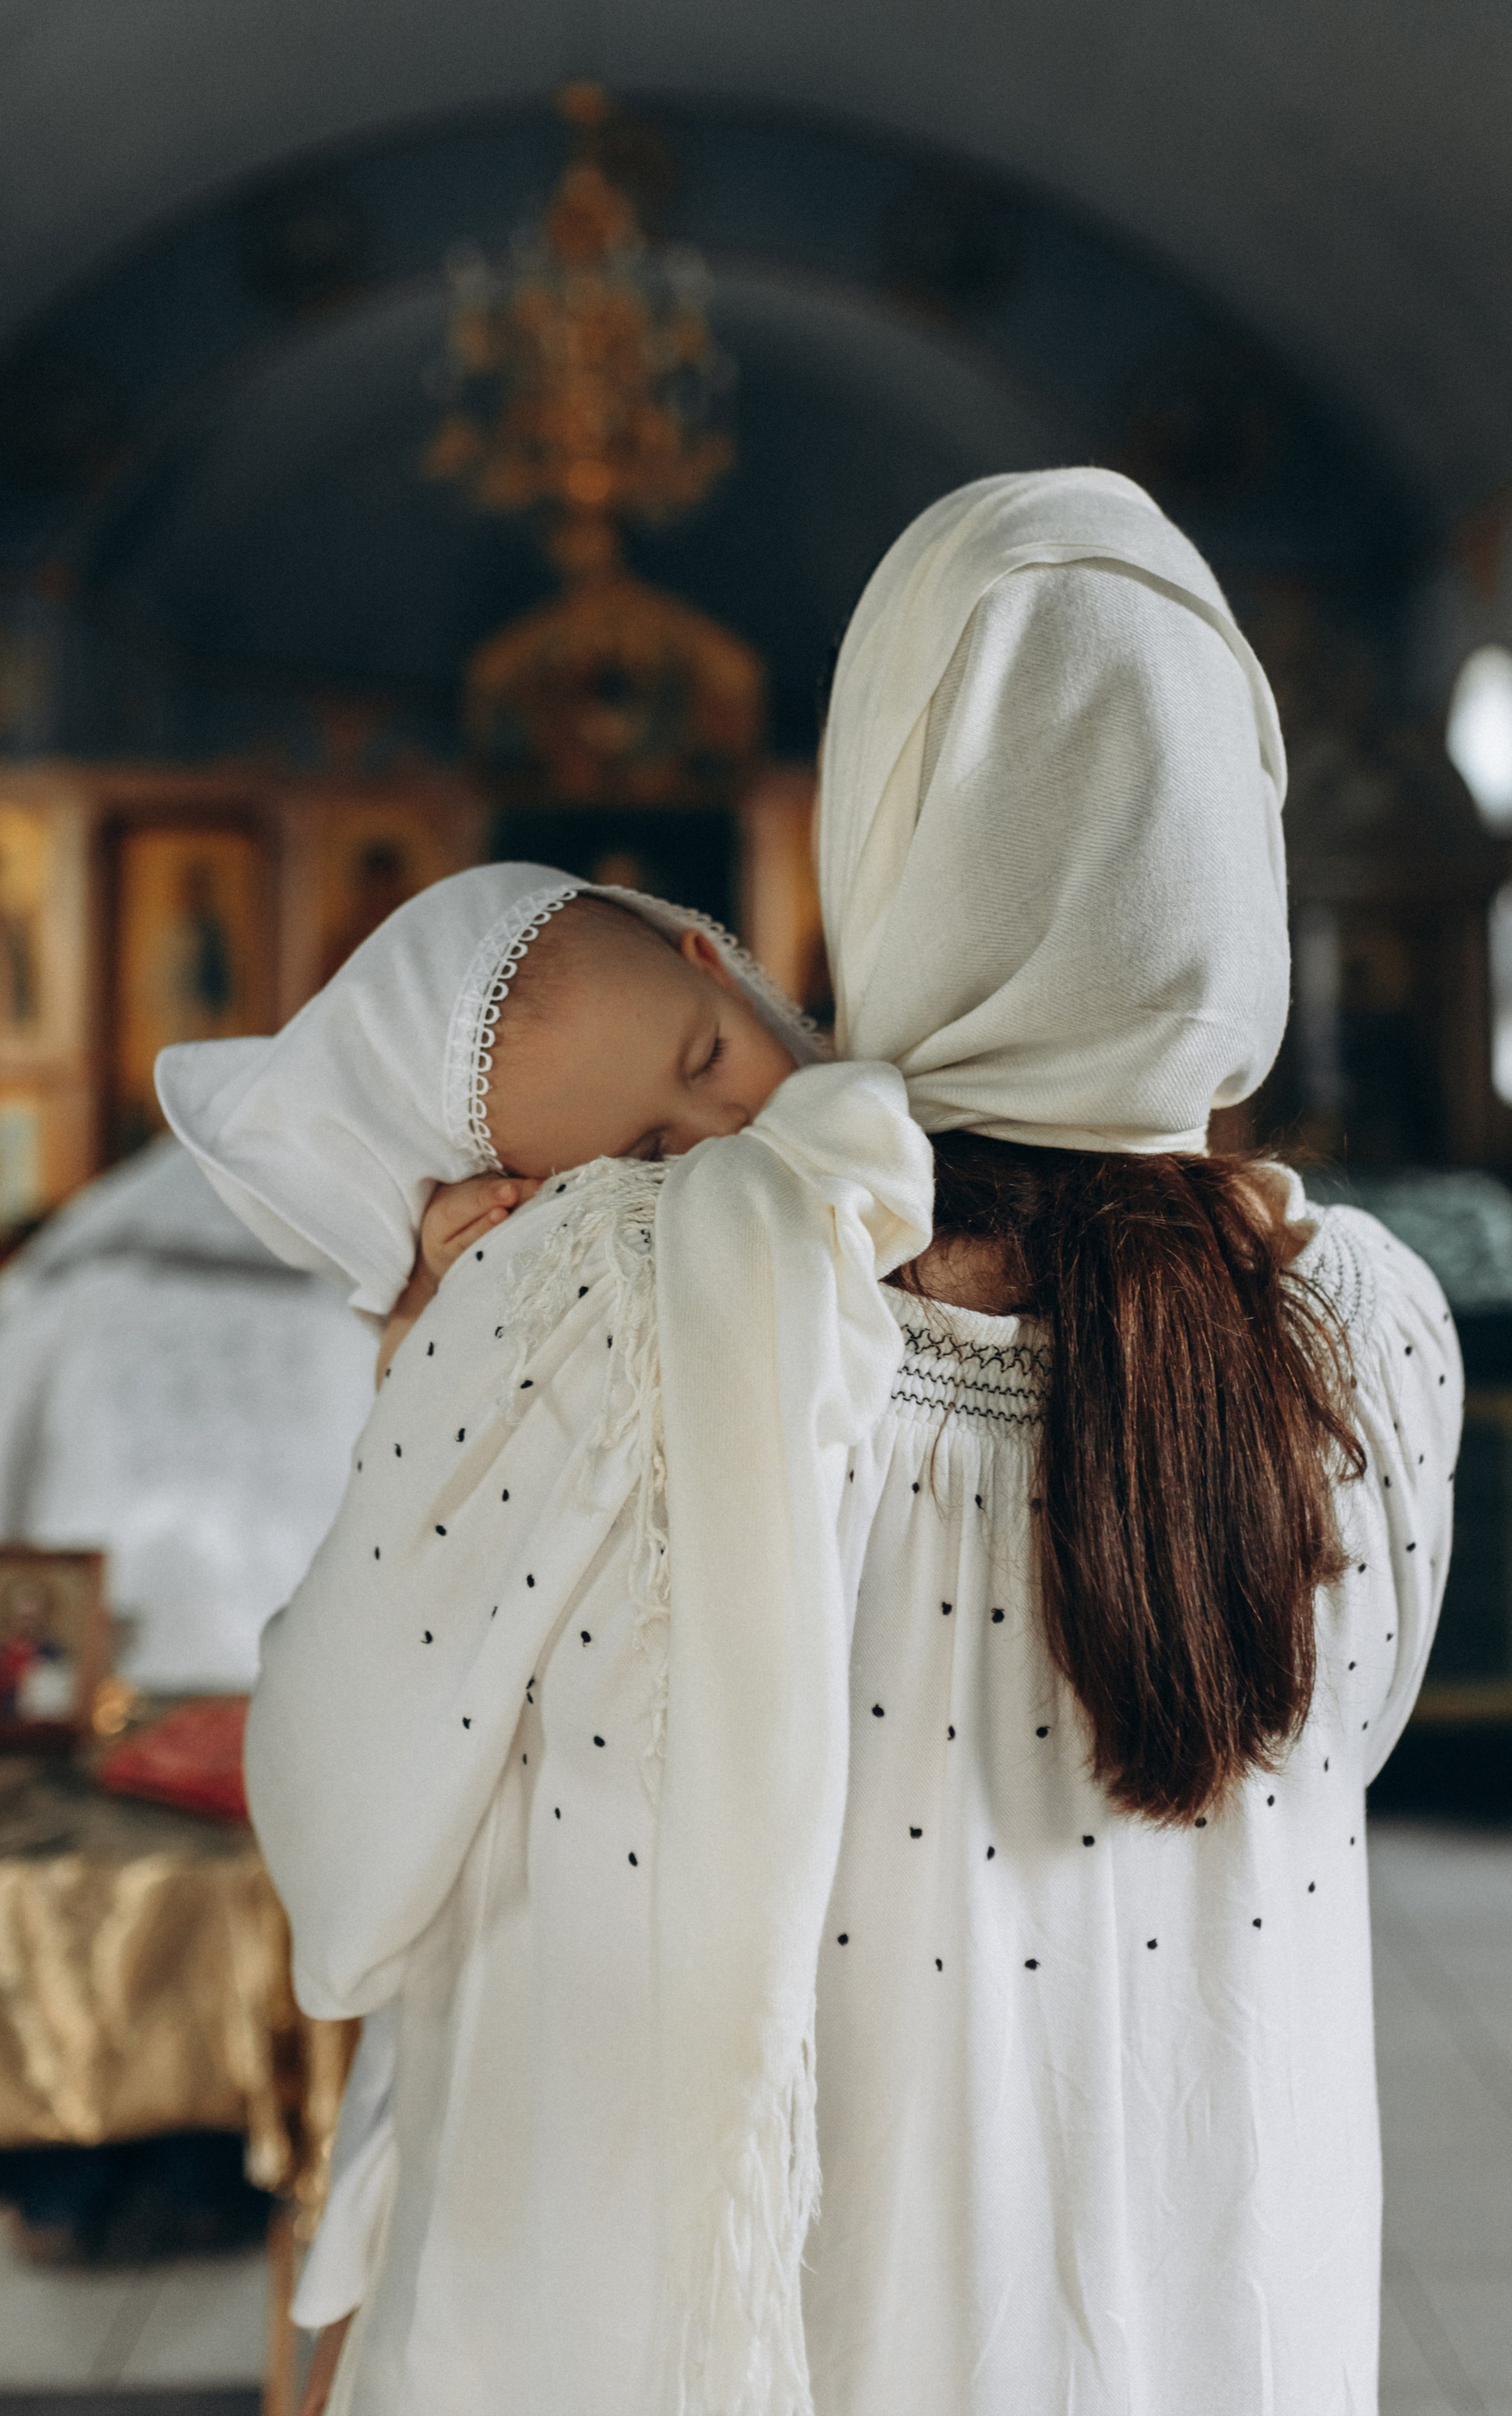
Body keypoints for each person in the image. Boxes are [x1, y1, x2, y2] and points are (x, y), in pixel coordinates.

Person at [167, 469, 1460, 2416]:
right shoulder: (1359, 1329)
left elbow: (343, 1877)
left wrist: (417, 1371)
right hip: (1177, 2319)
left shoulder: (595, 1293)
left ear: (882, 838)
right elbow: (1302, 1762)